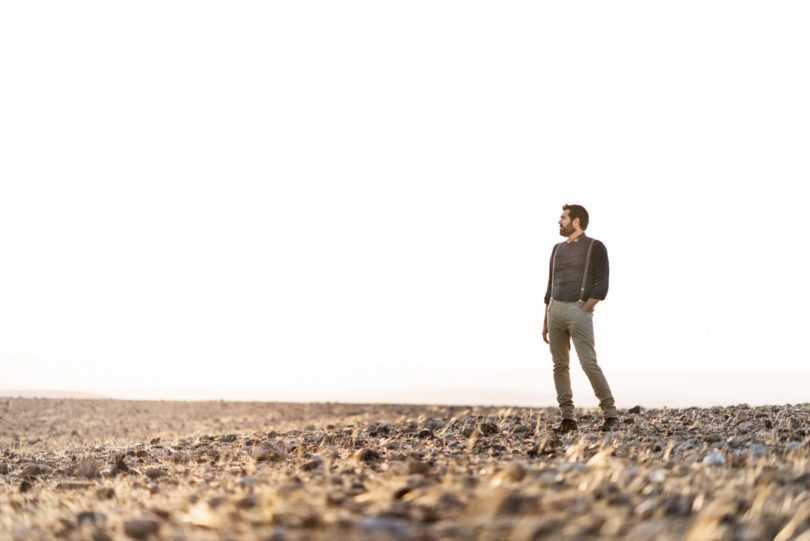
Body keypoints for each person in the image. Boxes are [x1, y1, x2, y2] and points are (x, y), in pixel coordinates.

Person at [542, 204, 619, 432]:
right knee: (559, 366)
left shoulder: (595, 246)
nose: (559, 221)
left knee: (588, 363)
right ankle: (568, 418)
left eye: (563, 217)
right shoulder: (556, 249)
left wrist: (587, 307)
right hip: (554, 309)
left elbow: (602, 282)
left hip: (579, 311)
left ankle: (611, 414)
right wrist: (545, 319)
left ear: (576, 221)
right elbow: (549, 285)